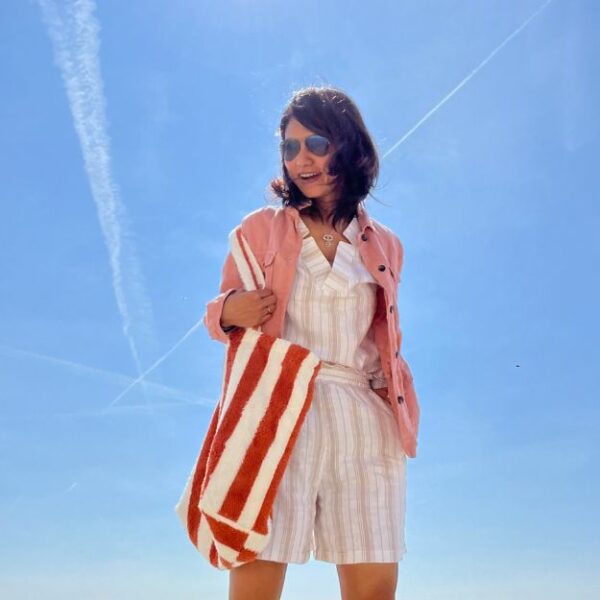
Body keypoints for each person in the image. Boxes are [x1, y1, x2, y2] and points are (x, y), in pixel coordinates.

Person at [203, 85, 420, 600]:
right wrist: (228, 311)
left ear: (348, 147)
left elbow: (386, 335)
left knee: (374, 589)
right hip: (279, 409)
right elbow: (220, 314)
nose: (301, 159)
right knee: (256, 573)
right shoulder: (259, 230)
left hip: (363, 415)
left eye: (316, 144)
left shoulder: (385, 244)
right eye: (290, 146)